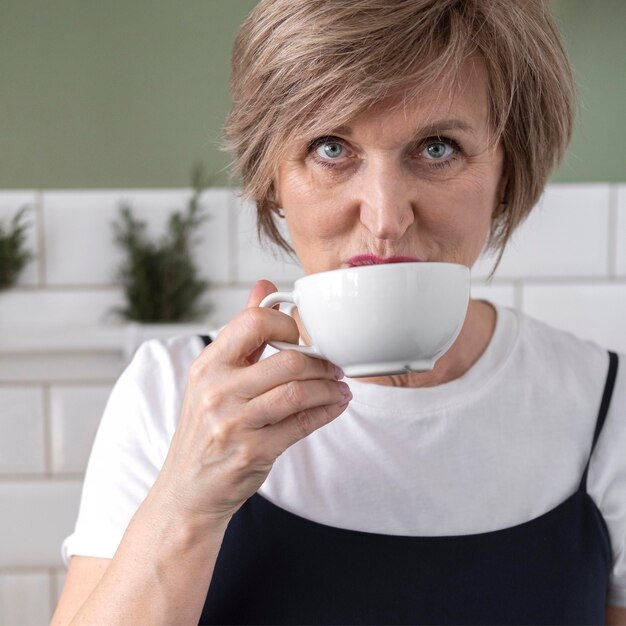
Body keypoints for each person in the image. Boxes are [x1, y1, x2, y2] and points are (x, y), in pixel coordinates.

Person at [51, 1, 626, 624]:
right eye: (331, 148)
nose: (384, 217)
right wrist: (189, 498)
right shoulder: (172, 396)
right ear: (272, 176)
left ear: (507, 169)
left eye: (437, 148)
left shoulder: (605, 410)